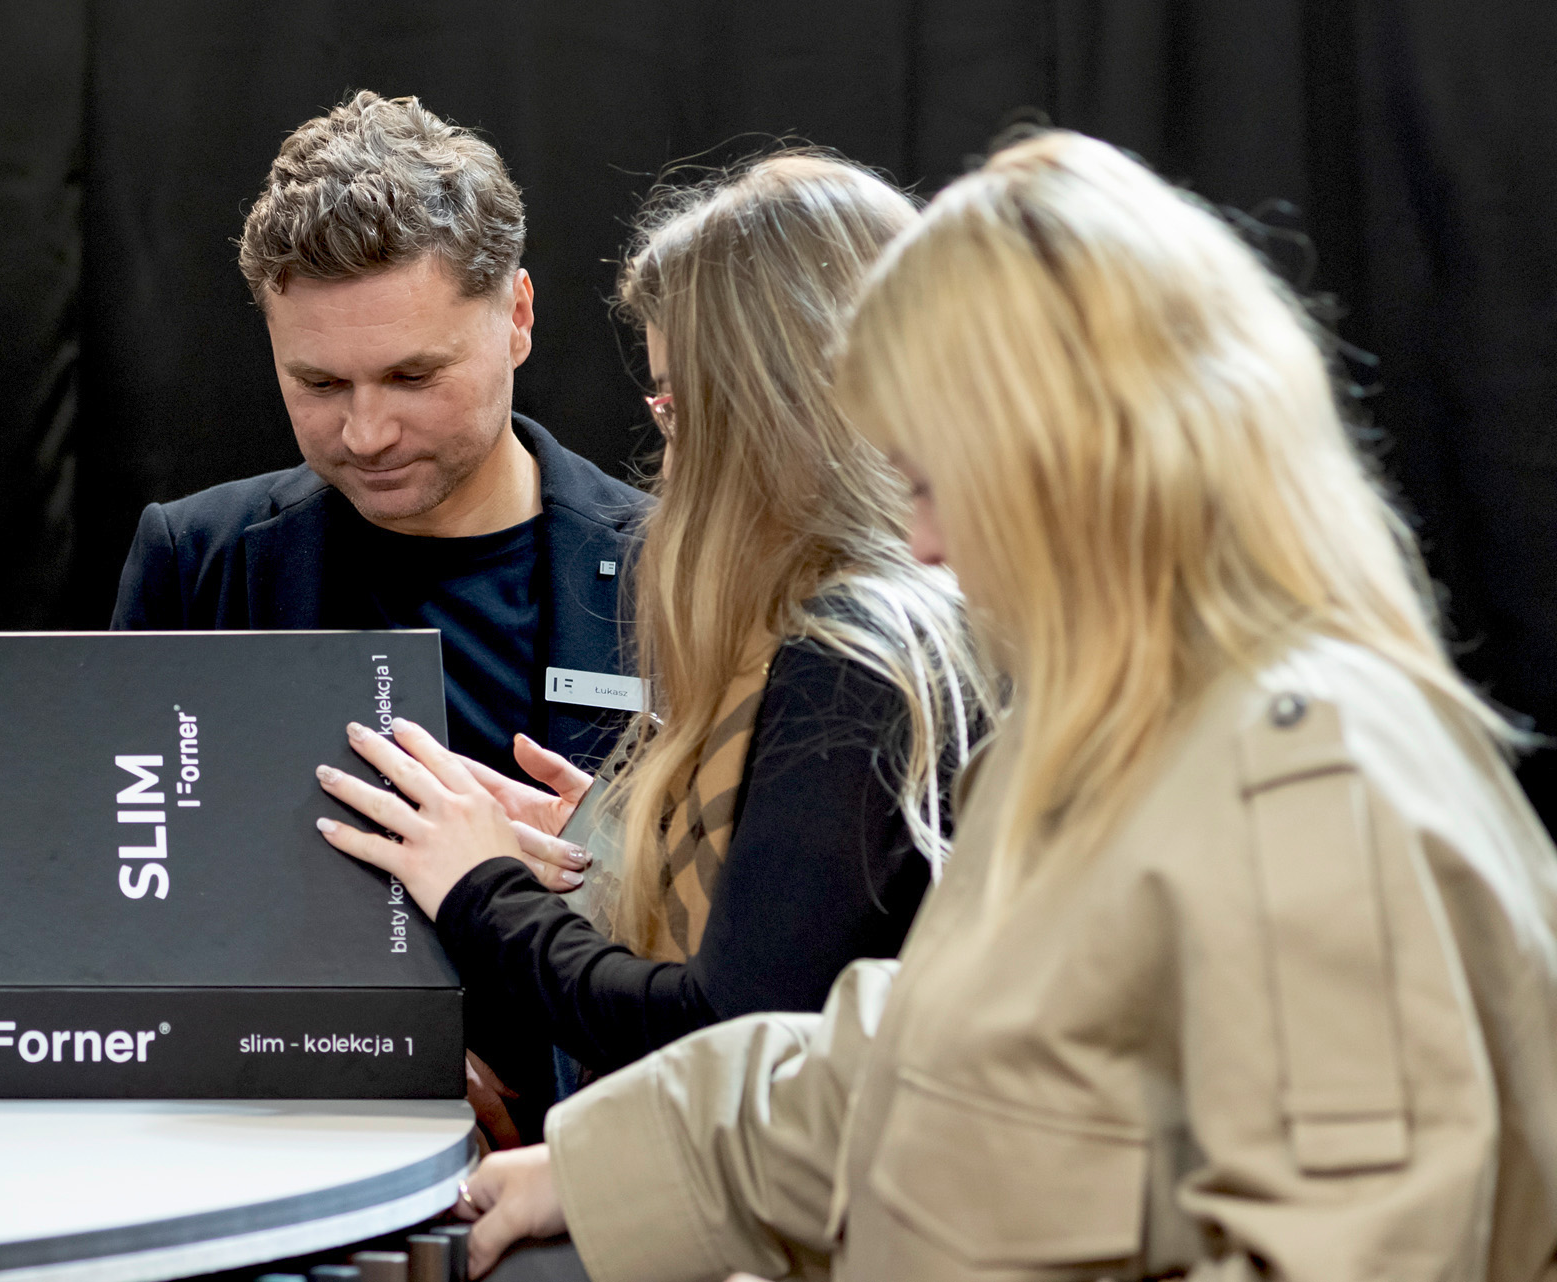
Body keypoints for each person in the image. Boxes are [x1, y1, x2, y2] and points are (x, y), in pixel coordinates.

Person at [450, 131, 1557, 1281]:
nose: (921, 540)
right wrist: (595, 1169)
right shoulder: (1113, 740)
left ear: (1086, 462)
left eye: (934, 482)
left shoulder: (1310, 783)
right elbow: (912, 1065)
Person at [312, 155, 985, 1087]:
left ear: (765, 407)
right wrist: (616, 851)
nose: (667, 465)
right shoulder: (905, 621)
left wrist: (479, 888)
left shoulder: (851, 651)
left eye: (674, 409)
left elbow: (716, 1044)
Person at [110, 90, 647, 1142]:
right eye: (318, 383)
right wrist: (359, 1048)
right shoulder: (199, 562)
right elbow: (126, 914)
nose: (364, 433)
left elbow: (755, 943)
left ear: (518, 317)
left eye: (412, 376)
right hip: (279, 1151)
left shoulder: (676, 574)